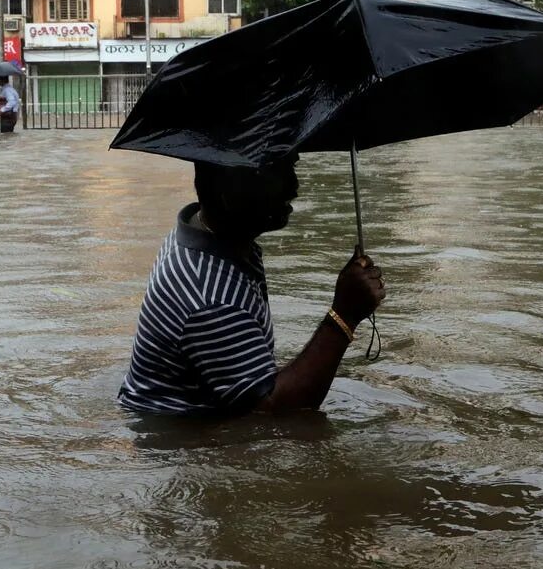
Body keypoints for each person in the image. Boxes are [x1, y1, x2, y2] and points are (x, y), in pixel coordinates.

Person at [118, 156, 386, 416]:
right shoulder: (211, 298)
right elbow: (275, 413)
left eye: (291, 166)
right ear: (230, 187)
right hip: (182, 438)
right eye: (277, 171)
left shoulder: (206, 235)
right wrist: (344, 316)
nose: (294, 186)